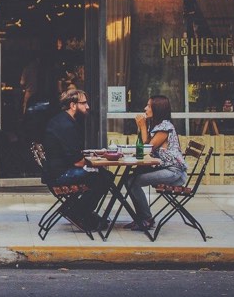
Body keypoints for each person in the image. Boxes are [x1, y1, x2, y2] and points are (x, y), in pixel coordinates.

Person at [43, 89, 114, 231]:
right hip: (60, 174)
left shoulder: (63, 120)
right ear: (73, 105)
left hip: (56, 171)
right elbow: (77, 161)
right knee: (103, 178)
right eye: (84, 103)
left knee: (103, 176)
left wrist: (93, 158)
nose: (87, 107)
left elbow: (74, 154)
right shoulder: (66, 126)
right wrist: (96, 162)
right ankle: (78, 213)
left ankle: (79, 211)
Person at [125, 95, 188, 231]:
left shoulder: (165, 127)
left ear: (157, 109)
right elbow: (144, 145)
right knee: (130, 178)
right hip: (165, 168)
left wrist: (142, 126)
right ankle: (141, 218)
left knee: (132, 181)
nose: (145, 108)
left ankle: (145, 218)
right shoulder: (157, 125)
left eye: (148, 106)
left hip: (173, 172)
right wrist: (143, 127)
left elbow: (148, 149)